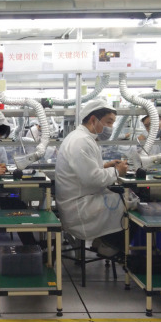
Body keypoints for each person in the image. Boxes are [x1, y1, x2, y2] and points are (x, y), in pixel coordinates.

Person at [55, 99, 129, 258]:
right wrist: (117, 172)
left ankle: (103, 242)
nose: (110, 128)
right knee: (129, 204)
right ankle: (110, 246)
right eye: (108, 122)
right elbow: (93, 179)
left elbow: (85, 168)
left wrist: (105, 165)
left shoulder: (82, 137)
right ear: (93, 119)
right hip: (79, 207)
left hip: (80, 198)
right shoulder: (81, 141)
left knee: (122, 198)